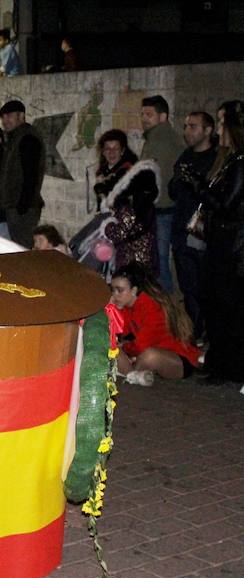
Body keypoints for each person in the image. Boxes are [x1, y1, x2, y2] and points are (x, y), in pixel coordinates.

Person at [198, 100, 244, 384]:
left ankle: (229, 367)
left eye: (221, 121)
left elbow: (227, 206)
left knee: (228, 305)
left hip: (232, 244)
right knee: (217, 303)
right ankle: (222, 363)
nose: (218, 129)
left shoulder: (239, 162)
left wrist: (200, 188)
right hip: (221, 241)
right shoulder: (228, 159)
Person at [167, 111, 217, 340]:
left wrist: (195, 183)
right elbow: (174, 190)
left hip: (203, 233)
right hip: (181, 230)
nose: (187, 131)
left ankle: (207, 333)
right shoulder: (185, 156)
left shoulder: (216, 158)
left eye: (193, 127)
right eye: (186, 126)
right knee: (188, 286)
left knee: (204, 287)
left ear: (208, 130)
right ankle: (194, 332)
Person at [110, 264, 200, 386]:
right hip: (150, 352)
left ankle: (131, 374)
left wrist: (125, 347)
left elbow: (141, 346)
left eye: (120, 290)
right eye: (113, 290)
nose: (115, 295)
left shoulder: (152, 307)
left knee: (149, 356)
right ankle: (133, 375)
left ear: (134, 290)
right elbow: (117, 331)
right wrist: (111, 309)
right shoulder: (127, 306)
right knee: (110, 346)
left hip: (179, 358)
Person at [95, 129, 159, 273]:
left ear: (123, 150)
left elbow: (126, 217)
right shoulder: (106, 172)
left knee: (137, 282)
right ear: (103, 152)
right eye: (107, 149)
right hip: (122, 239)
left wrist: (106, 227)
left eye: (115, 148)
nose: (111, 153)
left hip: (134, 241)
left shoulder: (130, 178)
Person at [139, 95, 186, 292]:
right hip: (167, 208)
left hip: (160, 210)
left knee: (159, 262)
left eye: (149, 114)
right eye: (142, 114)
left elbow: (148, 177)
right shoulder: (169, 137)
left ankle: (165, 308)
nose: (144, 119)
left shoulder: (158, 139)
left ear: (163, 116)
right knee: (161, 260)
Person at [0, 100, 45, 248]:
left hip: (23, 209)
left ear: (21, 115)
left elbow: (31, 175)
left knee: (22, 249)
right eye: (3, 117)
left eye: (9, 116)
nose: (5, 121)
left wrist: (21, 207)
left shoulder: (27, 138)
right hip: (16, 206)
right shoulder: (15, 138)